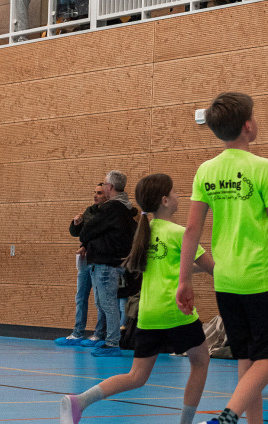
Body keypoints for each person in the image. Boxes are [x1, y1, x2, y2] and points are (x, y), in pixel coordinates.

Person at [176, 92, 268, 424]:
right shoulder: (263, 168)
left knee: (247, 358)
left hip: (225, 280)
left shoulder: (206, 171)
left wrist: (184, 279)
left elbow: (191, 231)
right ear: (248, 126)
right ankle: (228, 415)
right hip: (262, 279)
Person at [60, 174, 215, 424]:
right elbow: (212, 268)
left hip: (148, 313)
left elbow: (172, 267)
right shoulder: (180, 233)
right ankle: (185, 423)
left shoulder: (143, 233)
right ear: (165, 200)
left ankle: (80, 401)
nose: (178, 196)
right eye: (175, 192)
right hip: (176, 311)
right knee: (201, 361)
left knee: (136, 376)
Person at [76, 171, 138, 357]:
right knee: (107, 302)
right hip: (112, 262)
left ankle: (112, 342)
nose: (102, 188)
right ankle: (111, 340)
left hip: (105, 262)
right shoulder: (125, 209)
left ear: (110, 187)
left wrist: (86, 236)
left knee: (108, 303)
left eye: (103, 185)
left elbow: (87, 230)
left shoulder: (112, 208)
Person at [56, 184, 110, 347]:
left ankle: (99, 334)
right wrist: (76, 224)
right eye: (94, 192)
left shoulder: (109, 213)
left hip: (100, 259)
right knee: (80, 296)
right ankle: (77, 332)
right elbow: (79, 233)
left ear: (107, 195)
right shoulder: (89, 211)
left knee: (100, 300)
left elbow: (100, 235)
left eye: (99, 193)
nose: (95, 195)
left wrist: (86, 245)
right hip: (85, 260)